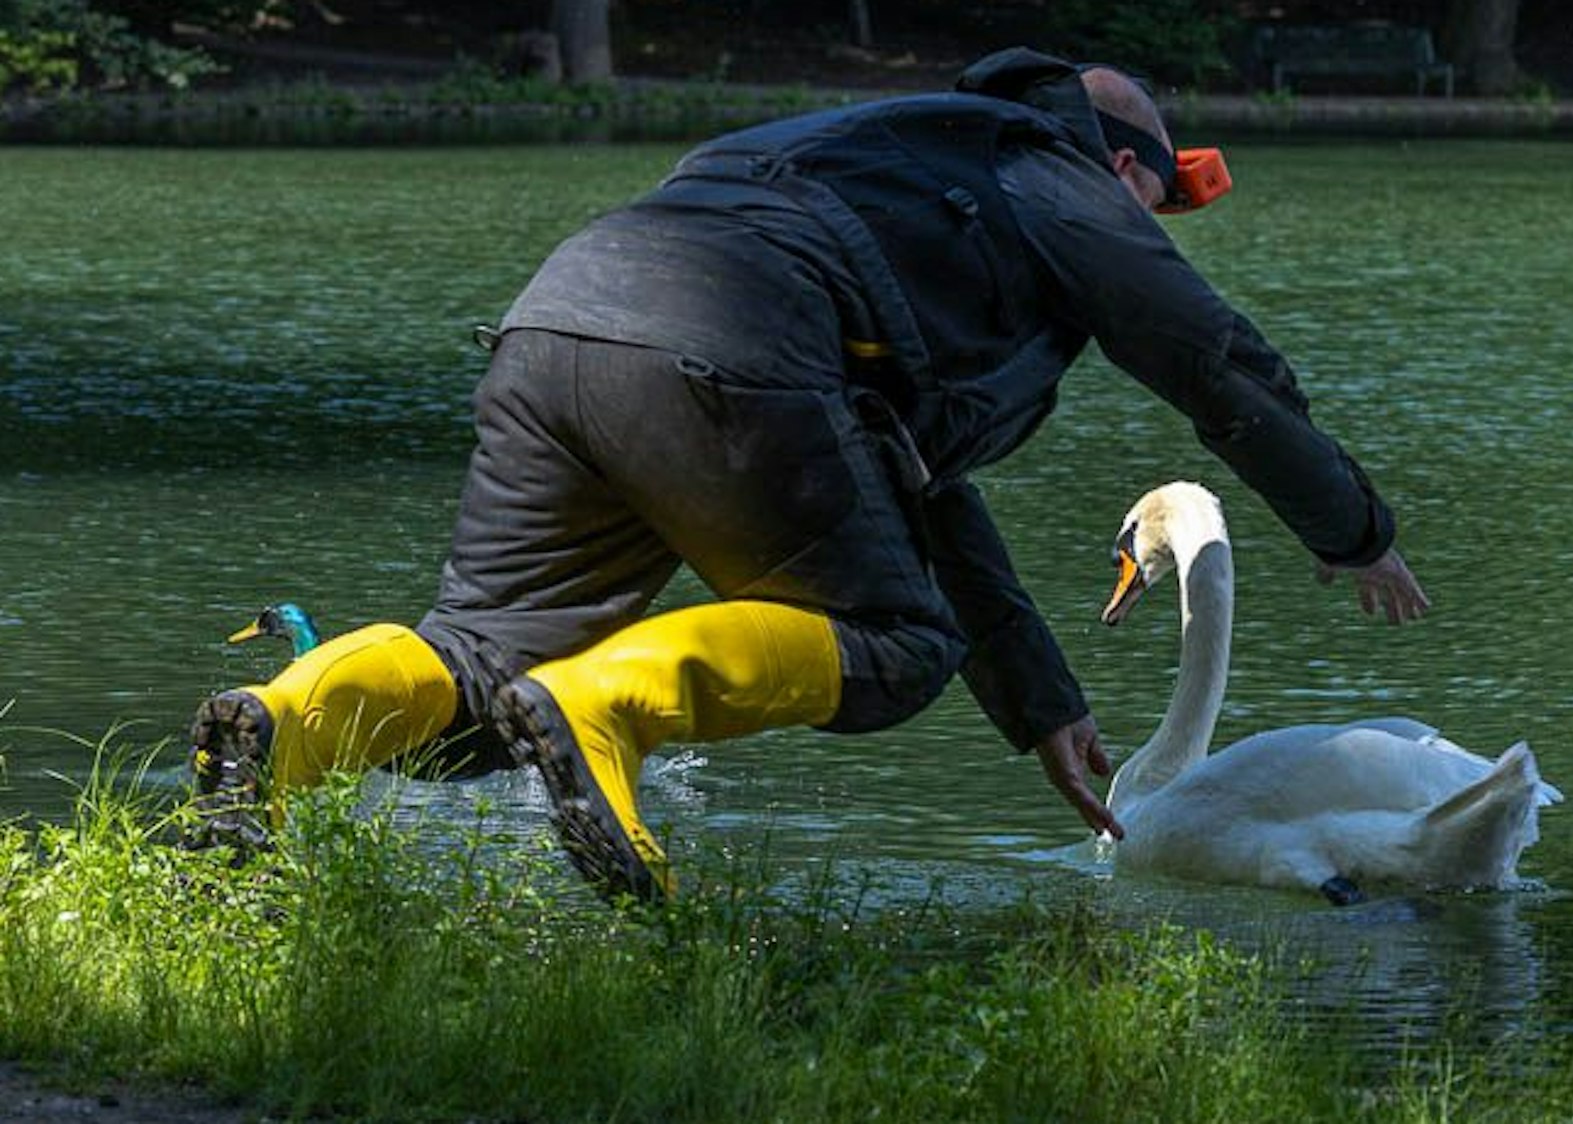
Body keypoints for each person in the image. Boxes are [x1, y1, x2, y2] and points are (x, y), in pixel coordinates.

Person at [185, 47, 1431, 902]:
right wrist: (1352, 526)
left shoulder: (876, 152)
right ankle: (605, 707)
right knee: (892, 643)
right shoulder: (1046, 173)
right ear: (1120, 170)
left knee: (474, 663)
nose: (1155, 231)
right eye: (1161, 203)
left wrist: (1041, 703)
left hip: (556, 321)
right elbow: (1213, 358)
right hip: (731, 340)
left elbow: (915, 487)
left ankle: (277, 725)